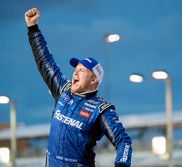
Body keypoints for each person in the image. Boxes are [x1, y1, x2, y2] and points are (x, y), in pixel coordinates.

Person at [25, 8, 132, 167]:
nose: (75, 73)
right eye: (75, 69)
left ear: (94, 80)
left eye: (81, 71)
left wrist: (122, 164)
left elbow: (123, 141)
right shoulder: (63, 90)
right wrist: (33, 29)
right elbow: (45, 62)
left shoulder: (101, 110)